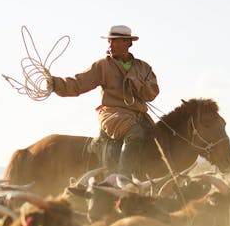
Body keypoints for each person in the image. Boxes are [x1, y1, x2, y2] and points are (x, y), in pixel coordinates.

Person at [49, 24, 160, 176]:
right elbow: (78, 83)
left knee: (160, 138)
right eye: (109, 41)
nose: (111, 45)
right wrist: (55, 84)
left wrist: (136, 83)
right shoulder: (103, 65)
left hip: (139, 115)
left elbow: (152, 93)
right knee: (136, 133)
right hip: (113, 113)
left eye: (115, 41)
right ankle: (122, 178)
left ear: (128, 43)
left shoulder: (144, 68)